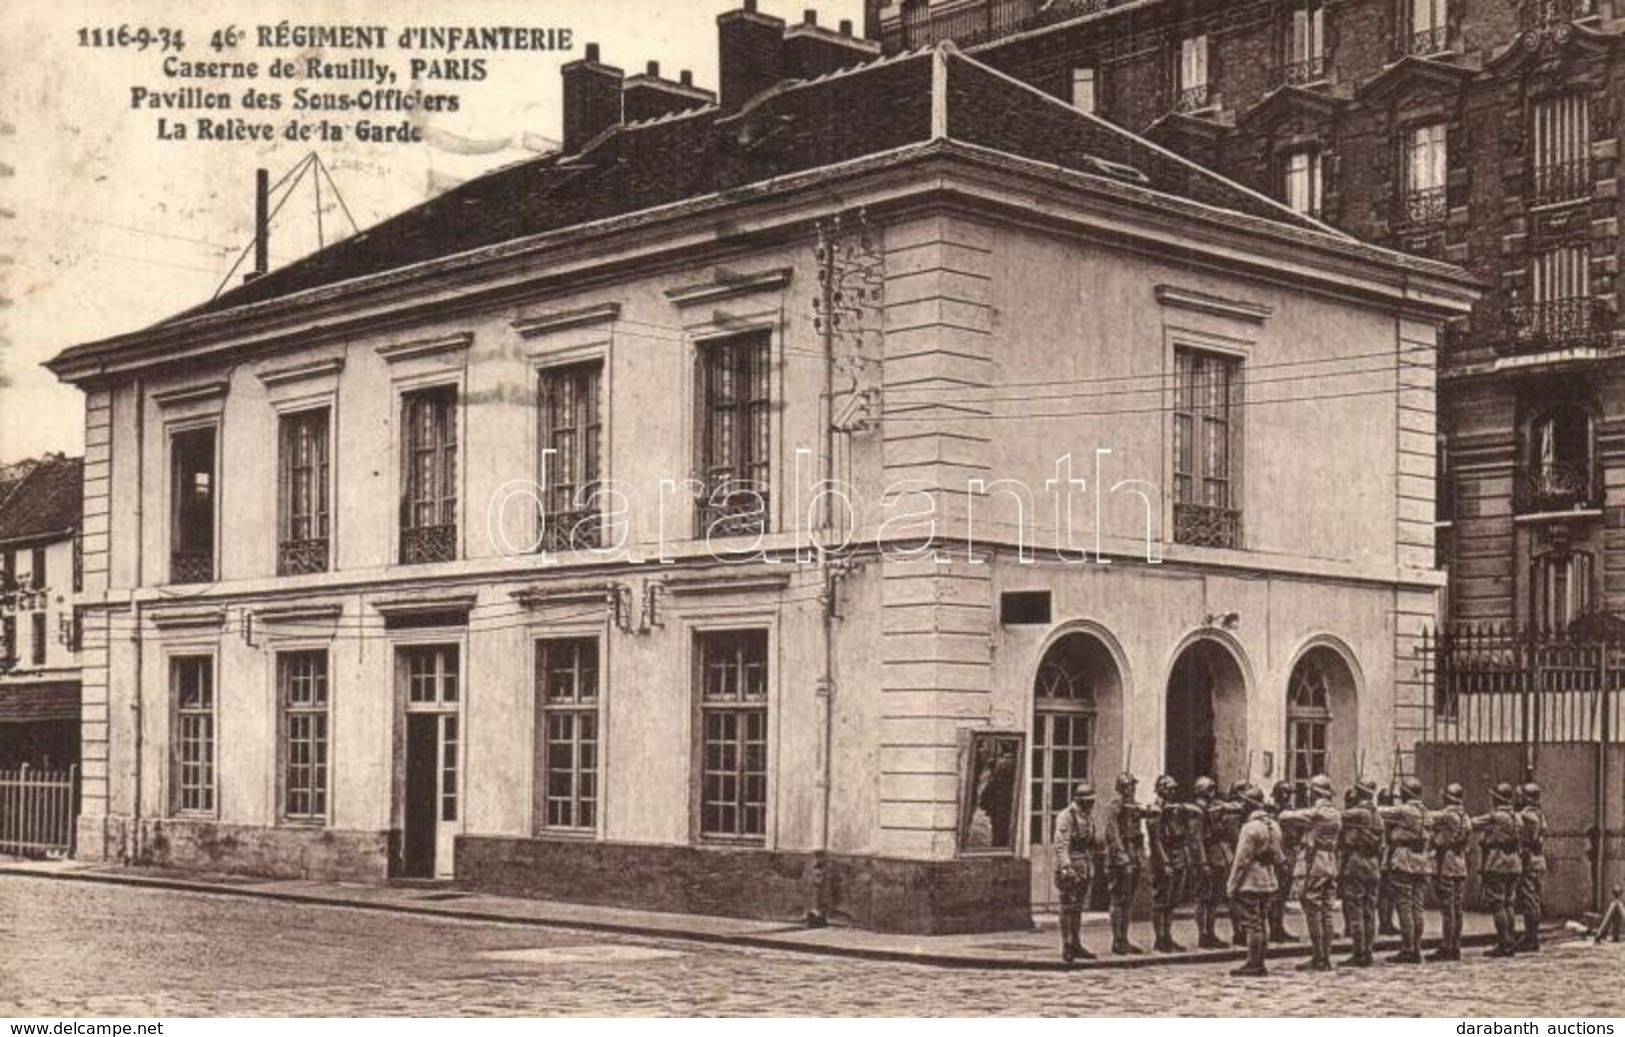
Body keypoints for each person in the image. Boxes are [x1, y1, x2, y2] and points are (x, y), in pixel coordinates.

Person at [1277, 774, 1341, 970]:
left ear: (1315, 792)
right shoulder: (1335, 813)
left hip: (1315, 863)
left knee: (1313, 910)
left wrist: (1286, 809)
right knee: (1327, 912)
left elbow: (1284, 817)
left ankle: (1318, 957)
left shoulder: (1318, 813)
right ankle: (1325, 957)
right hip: (1330, 863)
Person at [1227, 784, 1282, 977]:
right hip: (1268, 879)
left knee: (1253, 924)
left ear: (1249, 805)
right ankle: (1260, 961)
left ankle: (1253, 962)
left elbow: (1241, 860)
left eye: (1243, 802)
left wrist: (1232, 885)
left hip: (1251, 881)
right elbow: (1278, 856)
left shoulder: (1250, 828)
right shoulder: (1274, 825)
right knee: (1262, 920)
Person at [1377, 776, 1431, 964]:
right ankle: (1416, 947)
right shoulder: (1426, 812)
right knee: (1418, 908)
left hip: (1405, 860)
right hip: (1422, 862)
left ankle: (1407, 948)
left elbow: (1379, 812)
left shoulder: (1405, 810)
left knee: (1404, 906)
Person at [1148, 774, 1202, 953]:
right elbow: (1155, 840)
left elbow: (1196, 813)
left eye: (1174, 789)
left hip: (1178, 856)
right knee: (1161, 899)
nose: (1173, 792)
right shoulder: (1155, 810)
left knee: (1172, 900)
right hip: (1163, 856)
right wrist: (1164, 862)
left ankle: (1168, 935)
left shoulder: (1176, 809)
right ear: (1161, 789)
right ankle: (1160, 938)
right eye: (1169, 788)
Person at [1471, 781, 1524, 957]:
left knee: (1497, 903)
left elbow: (1473, 824)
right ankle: (1510, 941)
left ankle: (1504, 942)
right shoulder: (1518, 817)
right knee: (1509, 903)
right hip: (1514, 863)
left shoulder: (1496, 816)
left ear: (1497, 799)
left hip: (1497, 863)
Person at [1052, 782, 1101, 963]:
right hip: (1071, 866)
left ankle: (1077, 942)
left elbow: (1091, 841)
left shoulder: (1087, 817)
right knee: (1067, 907)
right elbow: (1061, 844)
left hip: (1085, 866)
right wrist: (1066, 867)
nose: (1091, 804)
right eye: (1088, 801)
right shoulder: (1066, 816)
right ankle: (1067, 944)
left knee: (1078, 907)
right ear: (1079, 800)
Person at [1338, 778, 1383, 967]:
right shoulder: (1378, 814)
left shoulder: (1359, 812)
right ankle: (1369, 951)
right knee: (1369, 910)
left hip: (1357, 861)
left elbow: (1336, 816)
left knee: (1355, 908)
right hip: (1374, 863)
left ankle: (1359, 952)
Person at [1103, 772, 1148, 955]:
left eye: (1133, 787)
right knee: (1118, 899)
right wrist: (1122, 857)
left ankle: (1125, 938)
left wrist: (1141, 857)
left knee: (1128, 901)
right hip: (1119, 860)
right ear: (1121, 788)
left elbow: (1138, 835)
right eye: (1129, 787)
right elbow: (1112, 834)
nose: (1132, 790)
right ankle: (1117, 940)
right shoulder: (1115, 807)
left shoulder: (1133, 807)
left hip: (1134, 854)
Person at [1427, 781, 1471, 962]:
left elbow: (1437, 839)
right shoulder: (1465, 817)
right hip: (1460, 865)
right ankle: (1456, 945)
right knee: (1457, 909)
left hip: (1446, 864)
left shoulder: (1447, 815)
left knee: (1448, 909)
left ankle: (1447, 946)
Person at [1193, 776, 1233, 949]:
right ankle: (1203, 934)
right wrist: (1202, 862)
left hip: (1218, 856)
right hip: (1207, 857)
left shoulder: (1214, 808)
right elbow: (1197, 838)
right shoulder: (1198, 810)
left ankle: (1211, 931)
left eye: (1213, 789)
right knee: (1204, 898)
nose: (1213, 793)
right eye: (1209, 790)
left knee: (1215, 899)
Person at [1267, 781, 1302, 943]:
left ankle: (1279, 926)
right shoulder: (1271, 813)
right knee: (1275, 893)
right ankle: (1274, 928)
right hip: (1278, 851)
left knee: (1283, 894)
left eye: (1288, 793)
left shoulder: (1291, 812)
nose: (1287, 796)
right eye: (1283, 793)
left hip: (1291, 850)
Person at [1515, 781, 1547, 953]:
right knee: (1535, 901)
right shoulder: (1540, 815)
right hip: (1539, 860)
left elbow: (1526, 842)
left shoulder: (1526, 816)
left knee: (1529, 901)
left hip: (1529, 861)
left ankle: (1531, 938)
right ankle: (1532, 936)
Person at [1221, 779, 1250, 947]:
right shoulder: (1232, 813)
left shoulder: (1243, 812)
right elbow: (1236, 837)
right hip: (1233, 856)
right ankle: (1239, 931)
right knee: (1236, 897)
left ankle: (1245, 929)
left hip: (1245, 857)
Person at [1375, 787, 1399, 936]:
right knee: (1381, 892)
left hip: (1389, 855)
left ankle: (1387, 922)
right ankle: (1383, 922)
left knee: (1389, 892)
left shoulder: (1394, 816)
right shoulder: (1377, 815)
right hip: (1378, 855)